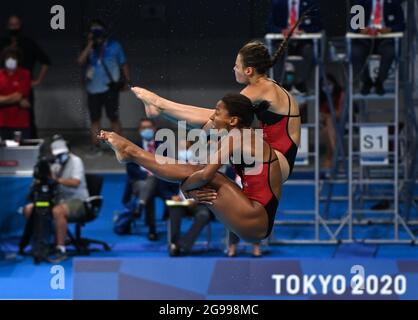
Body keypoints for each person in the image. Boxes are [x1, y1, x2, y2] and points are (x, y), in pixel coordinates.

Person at [99, 93, 282, 242]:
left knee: (208, 176)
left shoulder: (237, 138)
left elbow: (204, 176)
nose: (211, 116)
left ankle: (131, 152)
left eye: (217, 112)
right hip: (254, 219)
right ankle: (131, 152)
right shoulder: (242, 136)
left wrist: (185, 188)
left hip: (255, 219)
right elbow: (198, 138)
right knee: (202, 171)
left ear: (233, 120)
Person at [21, 136, 89, 262]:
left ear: (67, 151)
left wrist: (56, 179)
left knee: (57, 211)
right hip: (58, 200)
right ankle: (39, 245)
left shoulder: (76, 161)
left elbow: (75, 182)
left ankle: (60, 248)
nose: (60, 156)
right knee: (29, 209)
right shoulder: (55, 164)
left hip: (78, 201)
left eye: (62, 154)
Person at [77, 19, 130, 157]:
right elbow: (80, 61)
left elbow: (123, 64)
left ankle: (120, 147)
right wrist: (90, 43)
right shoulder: (89, 47)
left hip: (110, 88)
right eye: (93, 31)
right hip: (93, 89)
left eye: (98, 30)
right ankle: (95, 145)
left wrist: (126, 81)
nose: (96, 33)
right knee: (95, 119)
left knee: (114, 118)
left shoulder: (114, 46)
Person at [122, 118, 178, 241]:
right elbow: (131, 168)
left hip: (162, 183)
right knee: (149, 186)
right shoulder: (133, 147)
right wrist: (145, 175)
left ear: (154, 129)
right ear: (139, 130)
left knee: (151, 186)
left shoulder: (164, 146)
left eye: (149, 127)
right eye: (143, 128)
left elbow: (171, 166)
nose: (146, 130)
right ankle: (152, 228)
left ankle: (141, 205)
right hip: (140, 182)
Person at [0, 15, 51, 138]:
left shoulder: (28, 43)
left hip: (23, 84)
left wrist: (37, 81)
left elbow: (46, 61)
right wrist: (14, 99)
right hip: (5, 85)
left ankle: (31, 147)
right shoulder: (2, 42)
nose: (13, 27)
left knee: (27, 116)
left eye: (16, 24)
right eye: (11, 25)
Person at [267, 0, 322, 94]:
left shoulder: (310, 3)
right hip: (283, 42)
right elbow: (269, 26)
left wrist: (302, 29)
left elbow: (318, 26)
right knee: (275, 52)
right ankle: (281, 85)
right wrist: (282, 31)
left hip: (303, 42)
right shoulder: (278, 3)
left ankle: (300, 83)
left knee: (310, 51)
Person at [350, 0, 405, 95]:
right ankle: (366, 81)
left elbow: (401, 25)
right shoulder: (361, 3)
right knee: (355, 51)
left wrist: (390, 29)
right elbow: (353, 24)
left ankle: (379, 81)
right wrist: (360, 29)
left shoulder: (394, 3)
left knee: (390, 51)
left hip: (385, 39)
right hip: (365, 38)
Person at [0, 47, 31, 140]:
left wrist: (3, 99)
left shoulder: (25, 74)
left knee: (20, 152)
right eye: (8, 58)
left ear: (18, 60)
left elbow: (18, 96)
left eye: (13, 58)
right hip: (2, 123)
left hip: (20, 123)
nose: (10, 60)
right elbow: (17, 98)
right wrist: (16, 99)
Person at [319, 74, 344, 169]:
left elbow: (340, 113)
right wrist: (330, 116)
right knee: (327, 129)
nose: (326, 86)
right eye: (324, 85)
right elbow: (321, 115)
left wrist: (329, 116)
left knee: (329, 123)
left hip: (342, 124)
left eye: (329, 84)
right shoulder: (321, 96)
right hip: (327, 127)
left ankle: (332, 157)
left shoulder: (340, 93)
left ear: (334, 83)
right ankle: (336, 153)